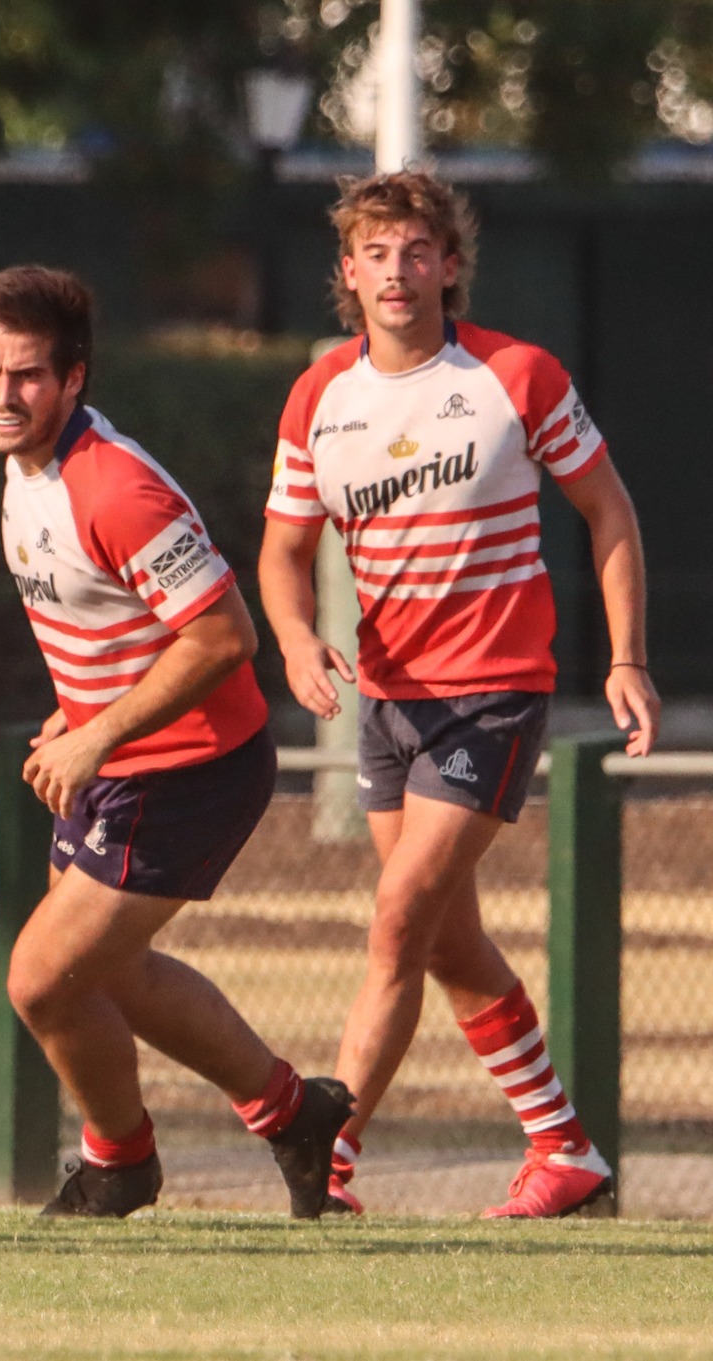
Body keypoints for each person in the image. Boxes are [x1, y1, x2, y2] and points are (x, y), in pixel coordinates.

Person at [258, 171, 659, 1219]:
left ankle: (326, 1154)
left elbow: (607, 513)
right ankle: (561, 1146)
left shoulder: (514, 375)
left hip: (491, 692)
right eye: (375, 253)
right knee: (439, 937)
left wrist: (625, 659)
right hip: (385, 702)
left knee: (395, 920)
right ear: (347, 274)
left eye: (415, 250)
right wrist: (296, 635)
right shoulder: (318, 398)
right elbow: (281, 549)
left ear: (448, 265)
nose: (396, 270)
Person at [0, 264, 354, 1219]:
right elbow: (107, 615)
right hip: (123, 756)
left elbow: (225, 636)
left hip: (191, 767)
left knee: (43, 980)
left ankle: (121, 1161)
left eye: (26, 377)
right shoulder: (25, 474)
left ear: (74, 378)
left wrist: (96, 730)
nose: (3, 397)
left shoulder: (117, 485)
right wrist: (83, 706)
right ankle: (292, 1111)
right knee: (111, 975)